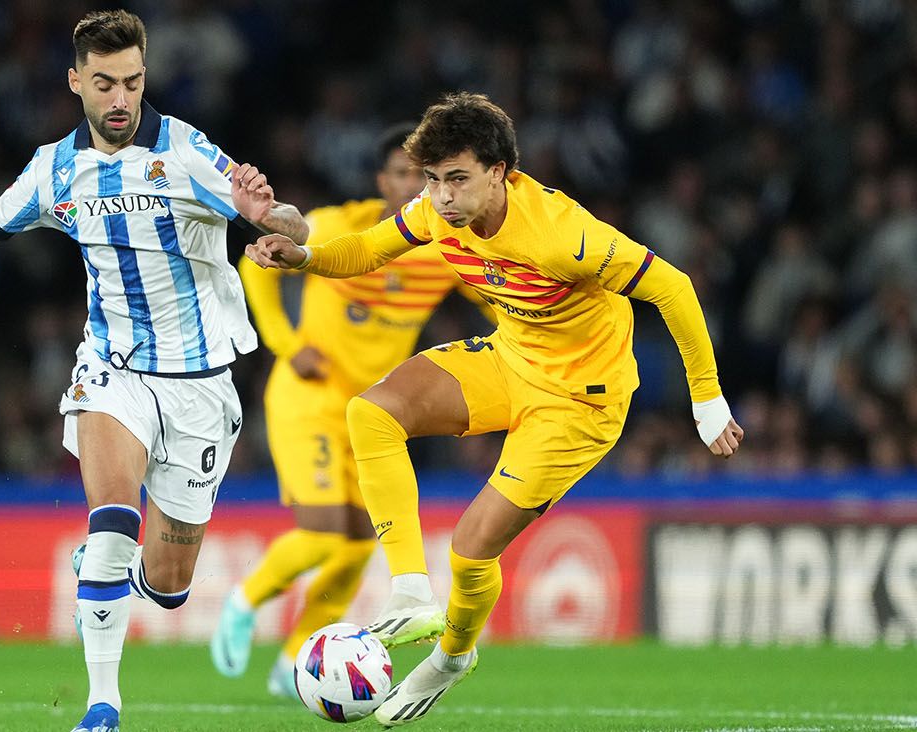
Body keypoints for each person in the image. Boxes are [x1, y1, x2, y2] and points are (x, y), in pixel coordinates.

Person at [0, 10, 307, 732]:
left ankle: (119, 570)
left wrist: (271, 221)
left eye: (132, 82)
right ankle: (101, 707)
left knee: (168, 584)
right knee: (113, 521)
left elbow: (289, 224)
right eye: (105, 84)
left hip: (201, 385)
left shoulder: (187, 152)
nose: (120, 99)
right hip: (112, 370)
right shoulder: (53, 169)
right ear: (75, 82)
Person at [245, 92, 743, 726]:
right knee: (373, 412)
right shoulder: (435, 212)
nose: (442, 195)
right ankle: (409, 589)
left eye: (457, 178)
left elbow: (673, 287)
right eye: (432, 179)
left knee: (471, 547)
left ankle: (453, 655)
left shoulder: (566, 236)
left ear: (500, 171)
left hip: (579, 403)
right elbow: (367, 251)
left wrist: (707, 397)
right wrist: (305, 257)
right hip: (511, 360)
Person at [210, 124, 489, 696]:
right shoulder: (342, 224)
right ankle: (244, 602)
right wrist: (287, 344)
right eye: (405, 173)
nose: (416, 185)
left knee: (360, 544)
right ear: (383, 179)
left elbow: (497, 289)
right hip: (307, 398)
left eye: (426, 175)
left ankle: (295, 661)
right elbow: (255, 265)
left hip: (373, 415)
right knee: (321, 534)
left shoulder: (443, 247)